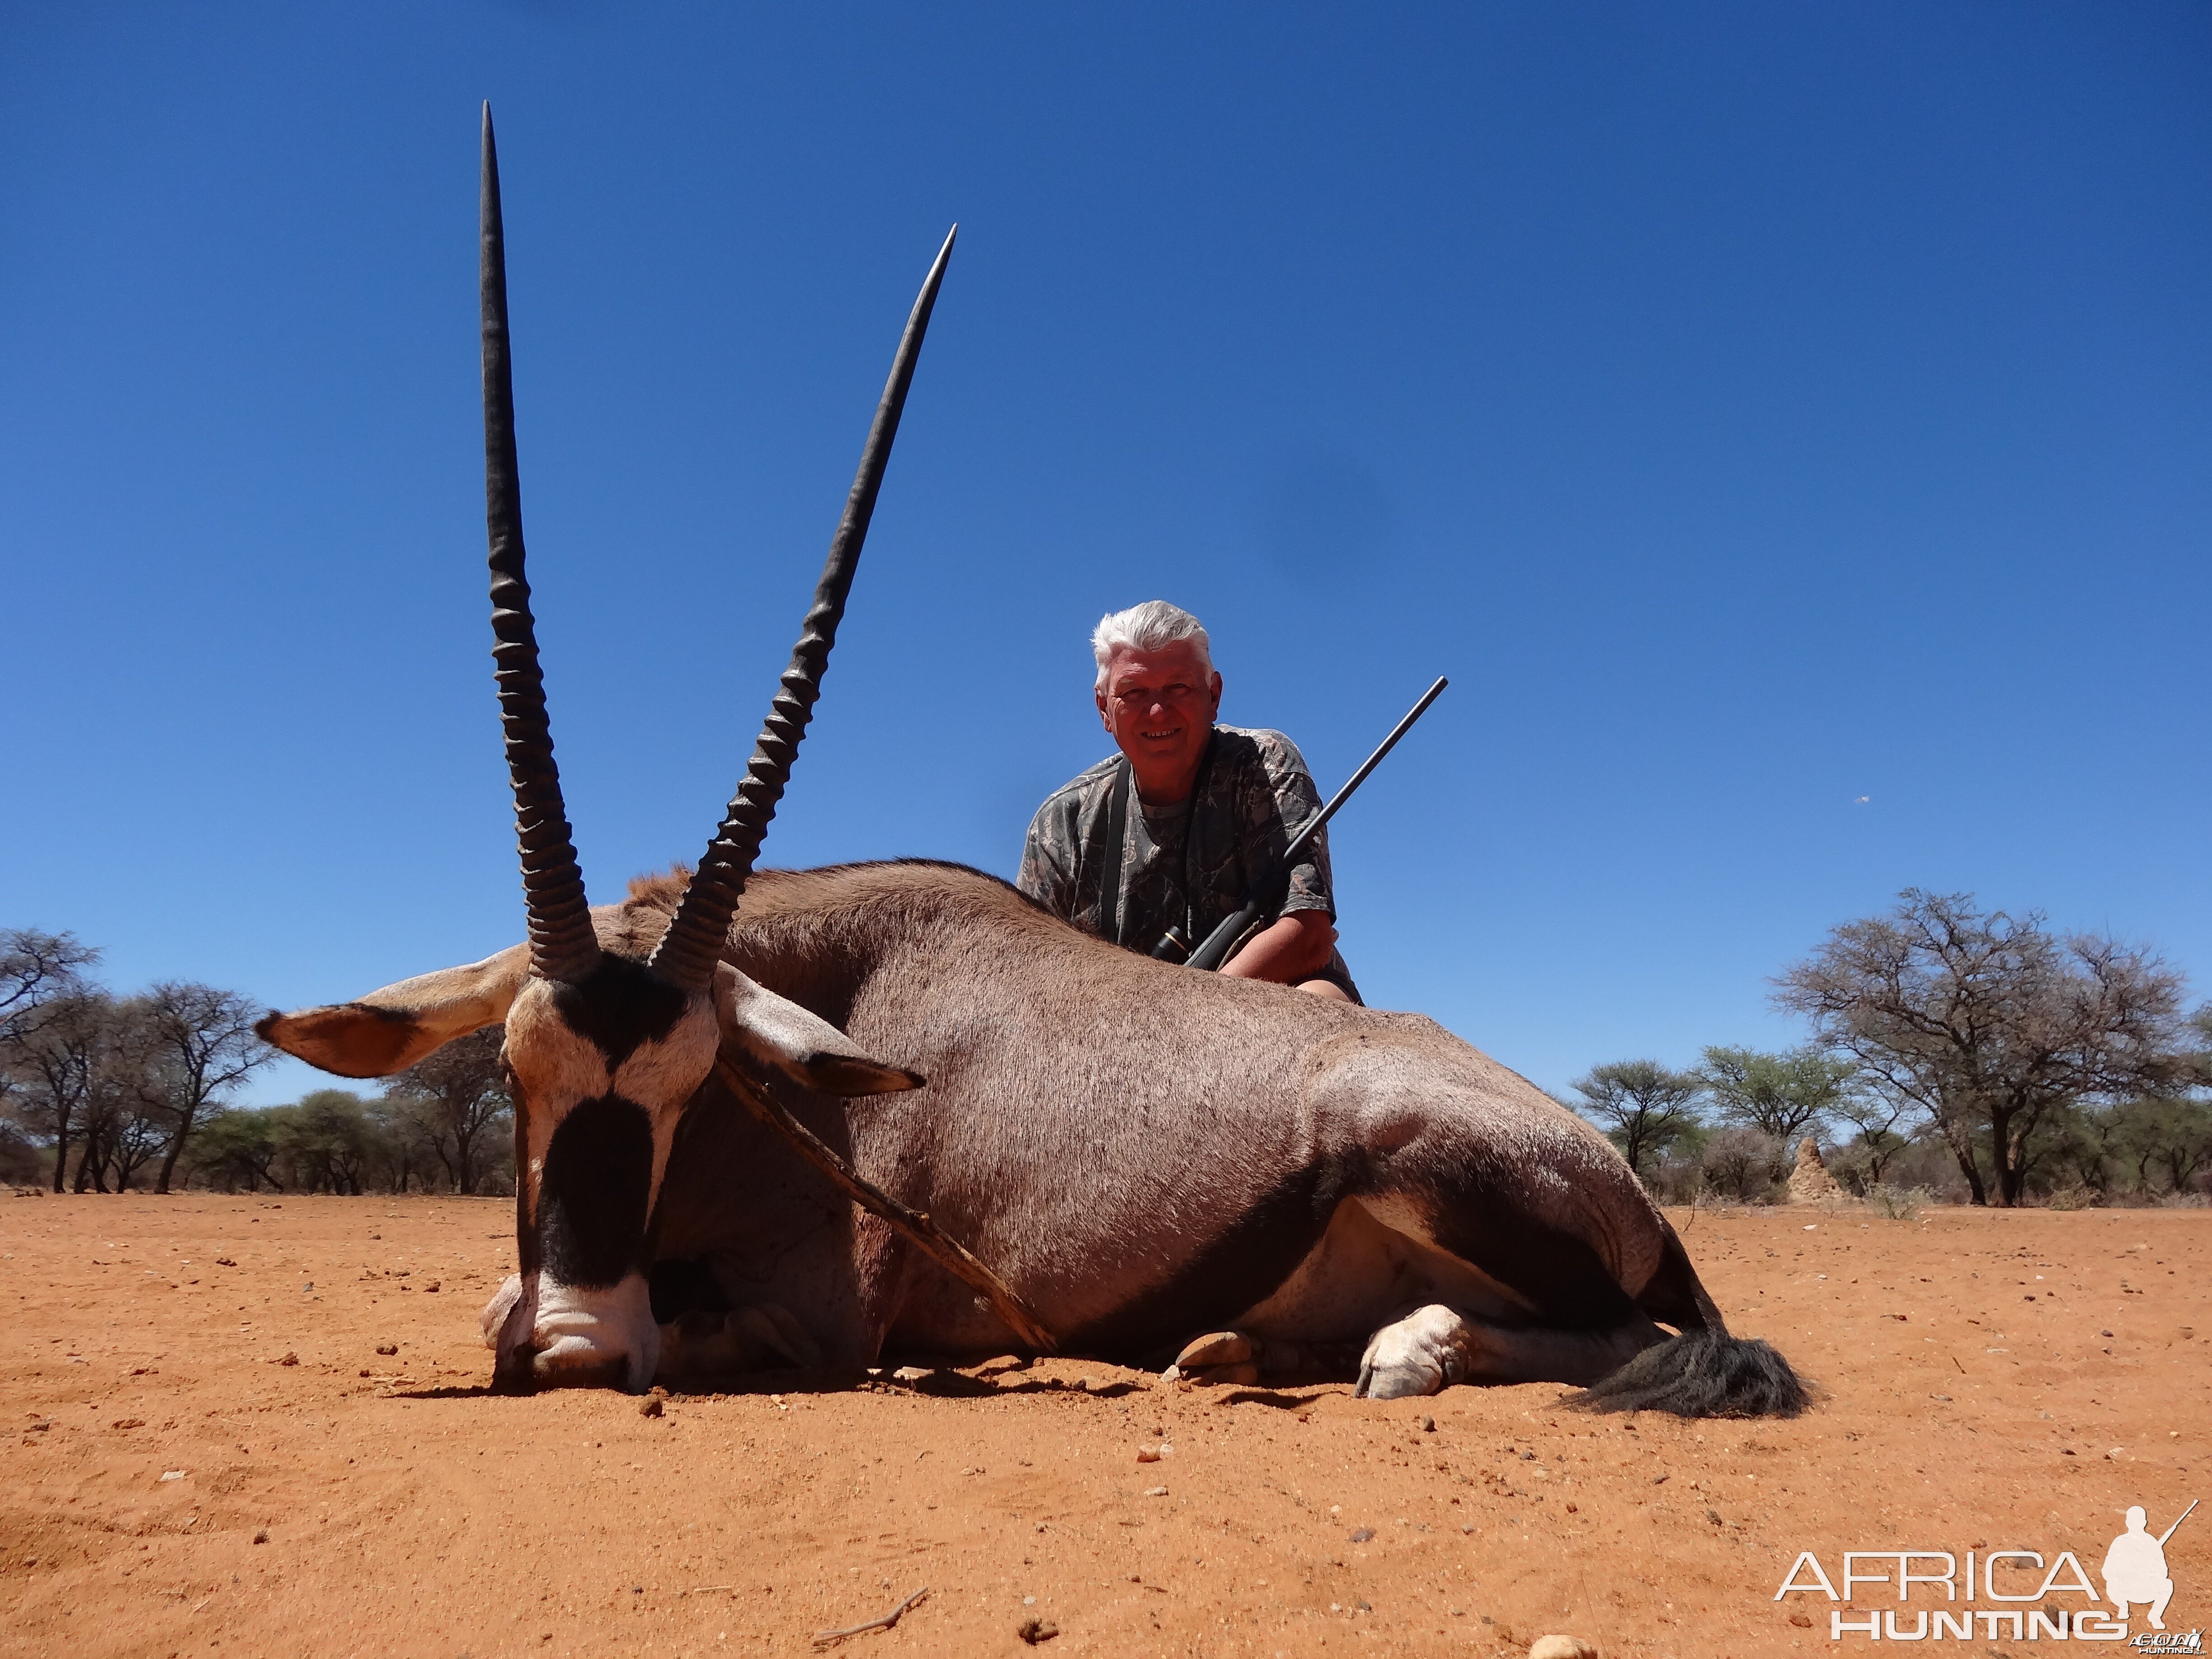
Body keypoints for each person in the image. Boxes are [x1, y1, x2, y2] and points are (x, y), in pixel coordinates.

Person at [1017, 600, 1359, 1001]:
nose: (1158, 712)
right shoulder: (1063, 820)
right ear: (1104, 708)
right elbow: (1028, 978)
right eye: (1134, 692)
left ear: (1213, 695)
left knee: (1321, 1001)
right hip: (1110, 1030)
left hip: (1263, 1006)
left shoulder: (1266, 765)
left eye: (1179, 687)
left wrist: (1186, 1011)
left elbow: (1308, 933)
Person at [2101, 1505, 2176, 1630]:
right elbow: (2107, 1571)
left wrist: (2145, 1570)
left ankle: (2154, 1616)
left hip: (2143, 1590)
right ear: (2145, 1523)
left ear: (2127, 1523)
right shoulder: (2122, 1542)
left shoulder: (2149, 1543)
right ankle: (2124, 1607)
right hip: (2127, 1589)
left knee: (2167, 1584)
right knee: (2168, 1584)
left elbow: (2162, 1572)